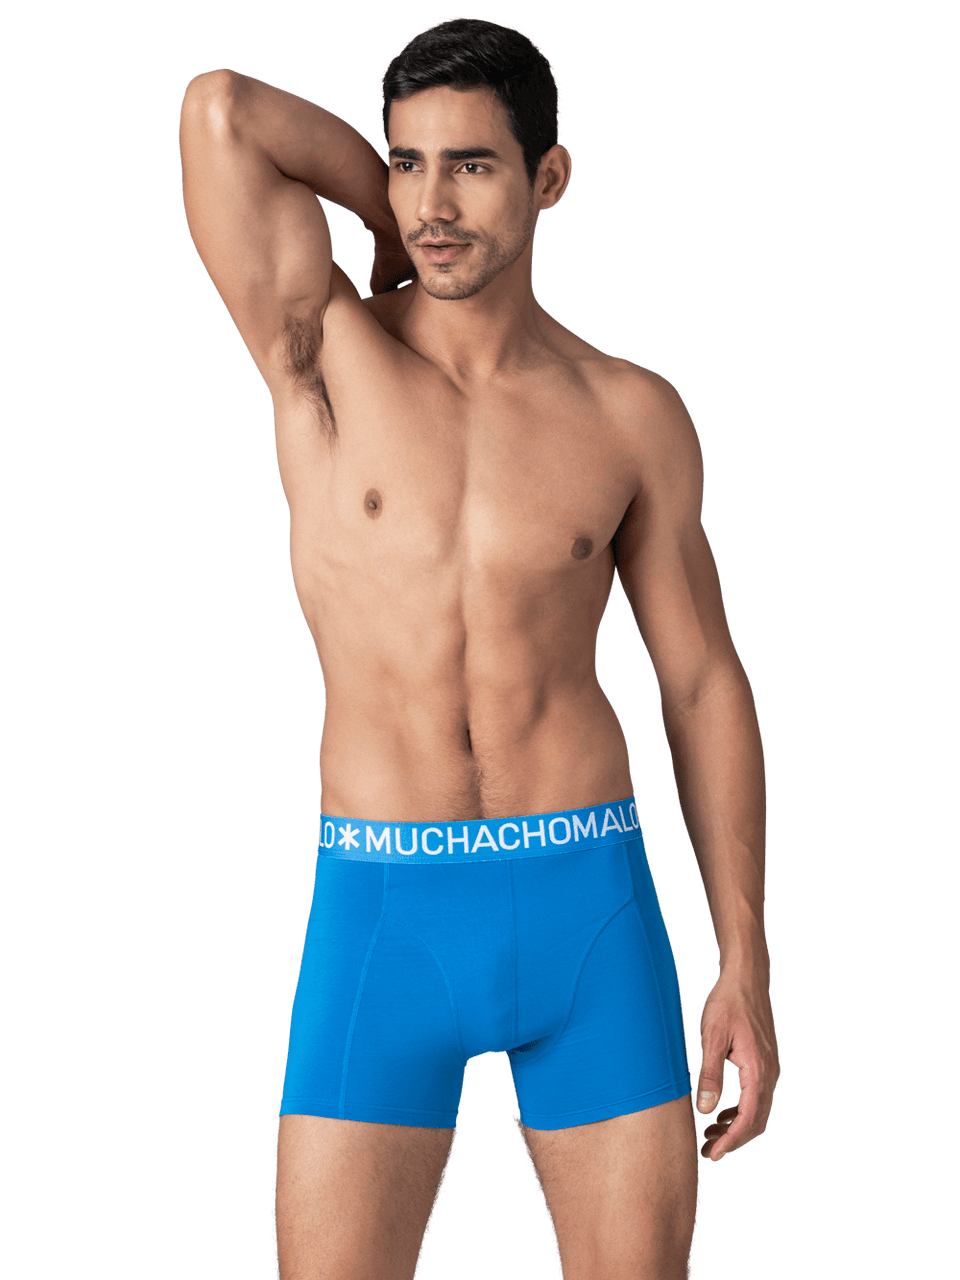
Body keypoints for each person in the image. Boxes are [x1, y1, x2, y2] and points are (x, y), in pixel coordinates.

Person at [178, 16, 779, 1279]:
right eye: (410, 162)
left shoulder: (628, 411)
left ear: (550, 177)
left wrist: (744, 956)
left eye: (472, 166)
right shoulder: (322, 352)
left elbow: (701, 680)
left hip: (588, 902)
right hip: (383, 903)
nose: (435, 201)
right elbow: (220, 110)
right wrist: (391, 225)